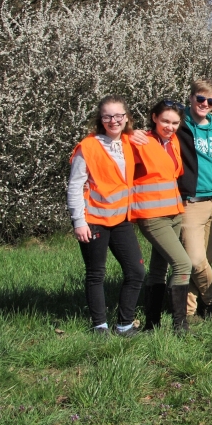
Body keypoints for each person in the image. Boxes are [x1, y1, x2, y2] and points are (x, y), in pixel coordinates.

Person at [67, 96, 146, 336]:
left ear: (126, 117)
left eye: (118, 115)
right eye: (107, 116)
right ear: (100, 119)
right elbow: (74, 186)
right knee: (96, 273)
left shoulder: (128, 142)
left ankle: (124, 324)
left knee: (136, 271)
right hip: (94, 219)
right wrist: (79, 221)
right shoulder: (87, 147)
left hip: (121, 219)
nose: (113, 120)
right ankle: (99, 325)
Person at [131, 100, 191, 333]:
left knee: (159, 267)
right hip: (152, 215)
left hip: (174, 213)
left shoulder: (172, 142)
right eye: (165, 121)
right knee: (183, 263)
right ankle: (180, 326)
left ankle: (152, 324)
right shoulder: (140, 141)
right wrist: (129, 132)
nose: (170, 126)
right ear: (154, 117)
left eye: (175, 122)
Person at [176, 79, 212, 319]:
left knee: (205, 260)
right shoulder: (180, 124)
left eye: (210, 101)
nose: (205, 104)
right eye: (201, 99)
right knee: (194, 259)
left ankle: (190, 311)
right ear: (191, 98)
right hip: (190, 201)